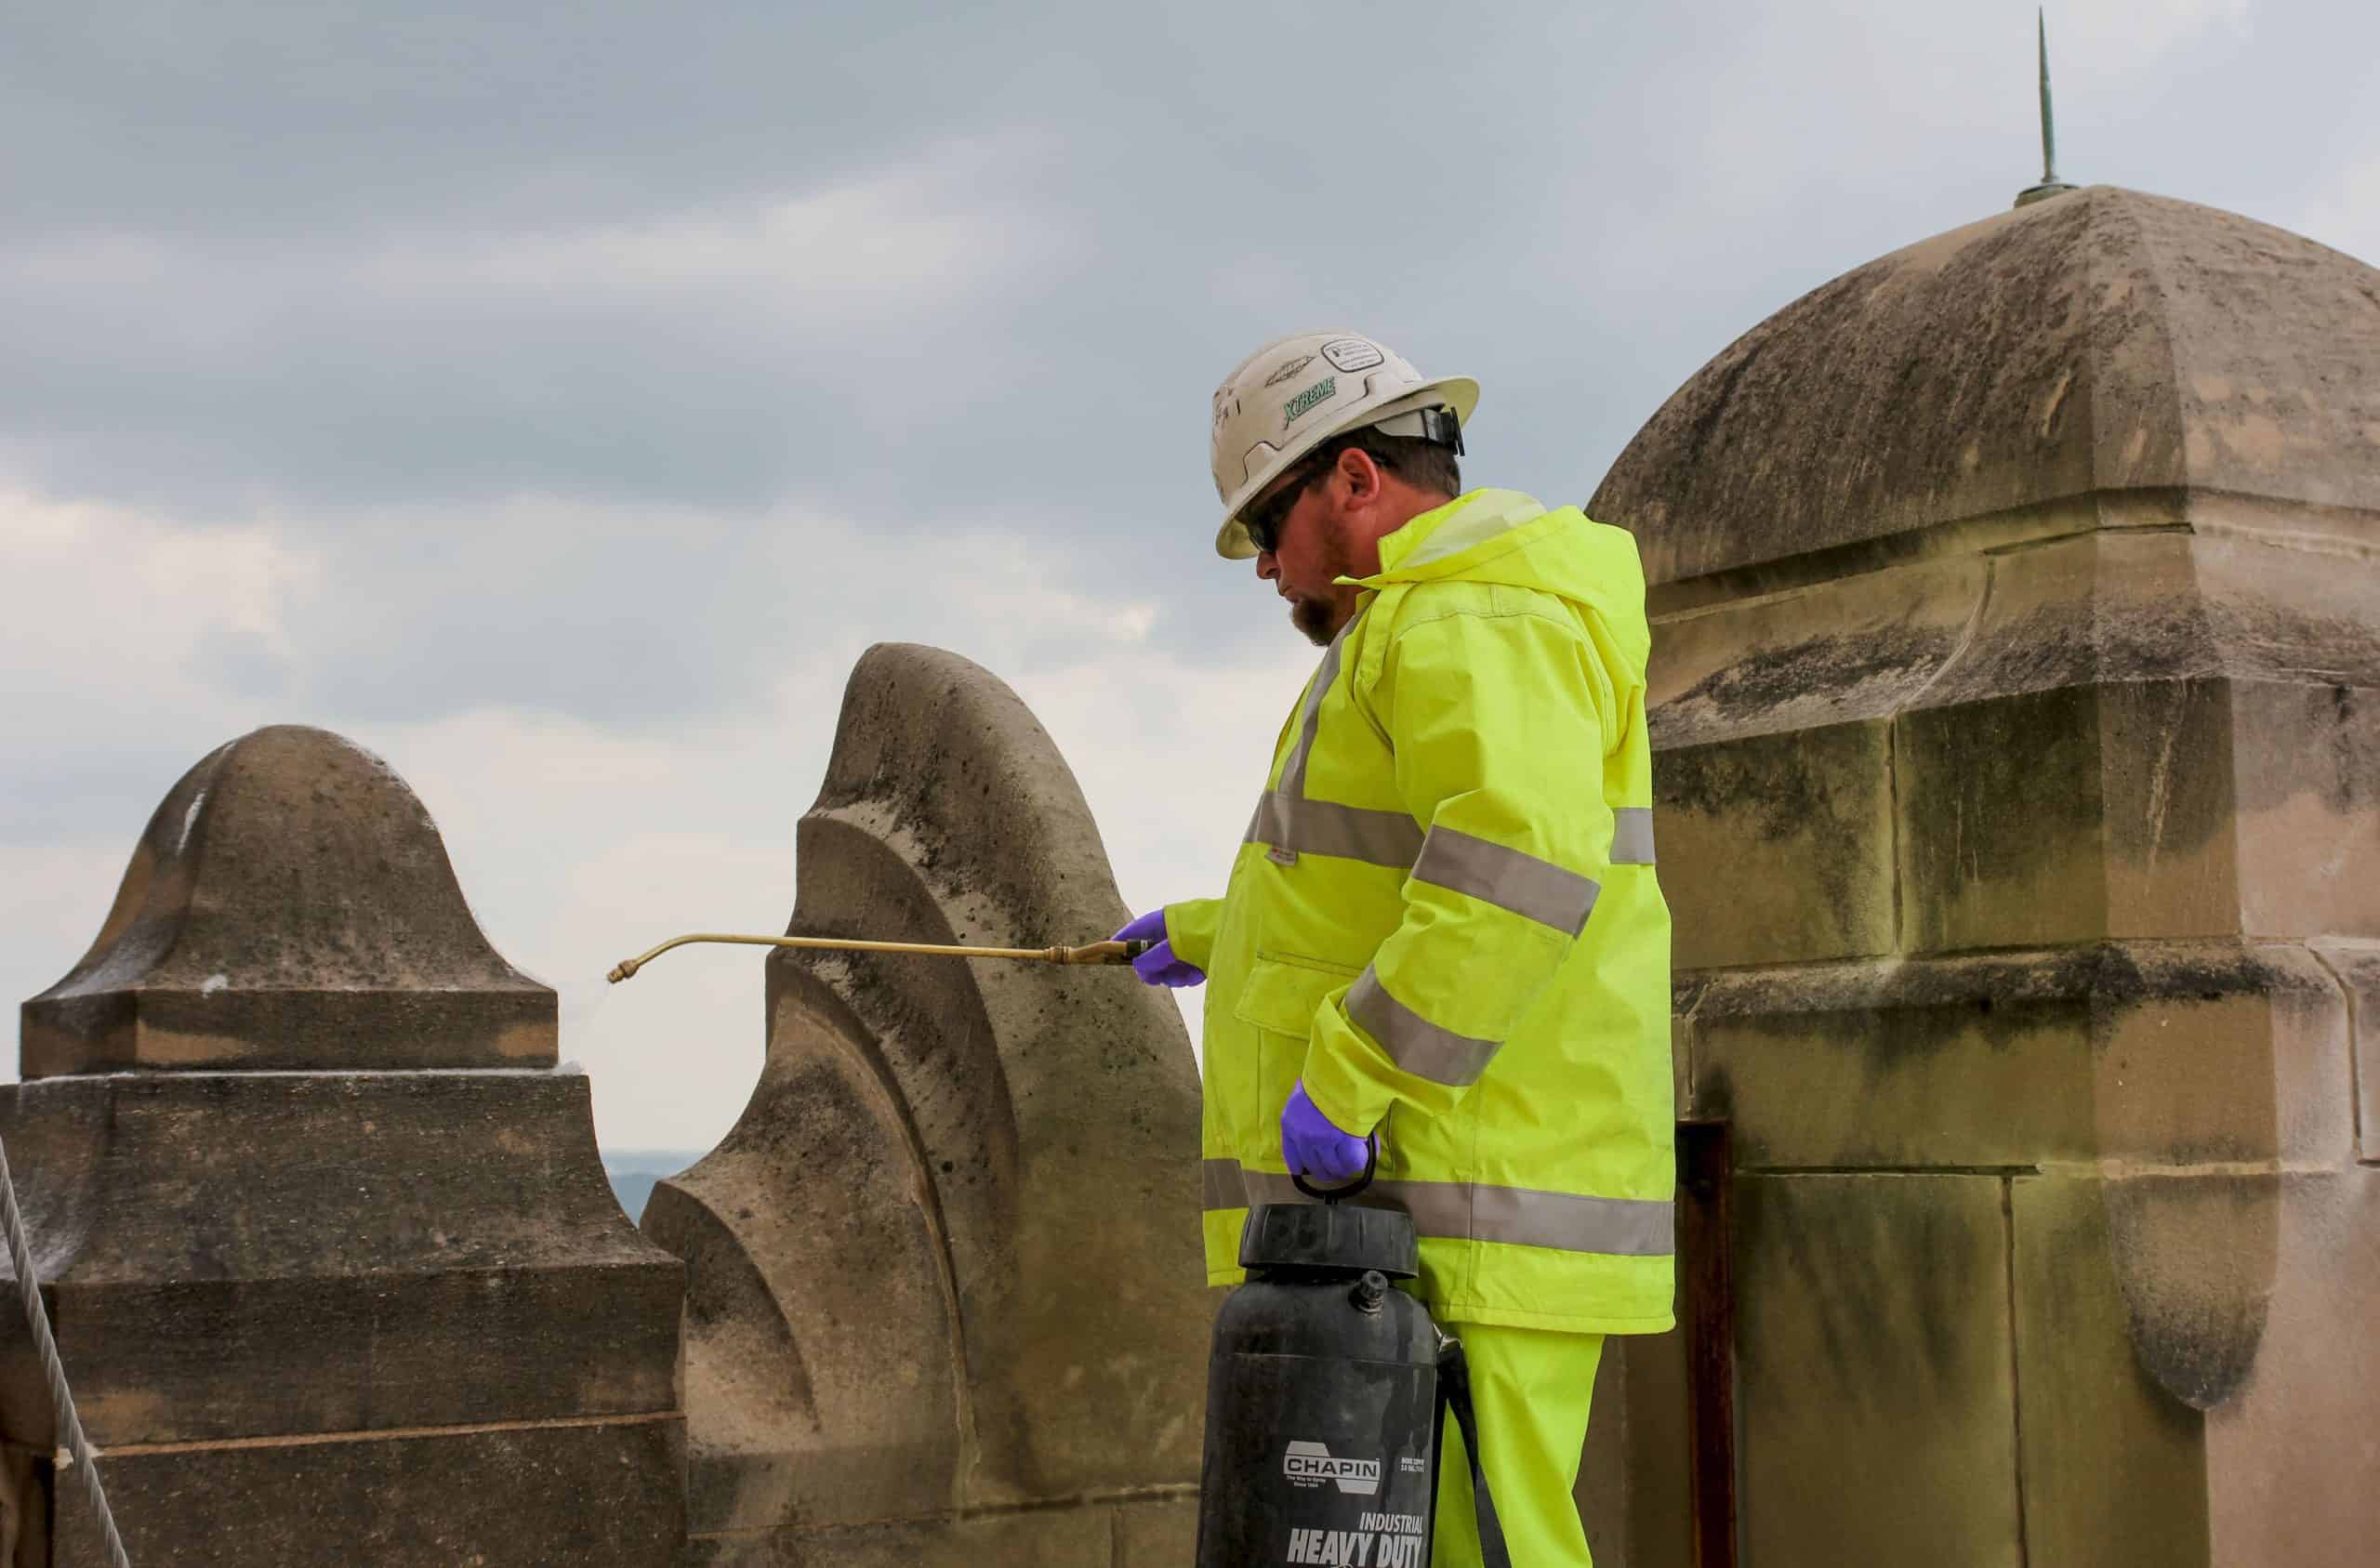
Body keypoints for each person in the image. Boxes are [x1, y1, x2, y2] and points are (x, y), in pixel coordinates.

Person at [1117, 330, 1674, 1567]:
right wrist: (1219, 934)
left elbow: (1513, 877)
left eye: (1267, 522)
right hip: (1440, 1209)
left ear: (1357, 479)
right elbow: (1414, 874)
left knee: (1495, 1549)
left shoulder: (1467, 614)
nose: (1261, 565)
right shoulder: (1430, 618)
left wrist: (1353, 1076)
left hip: (1465, 1199)